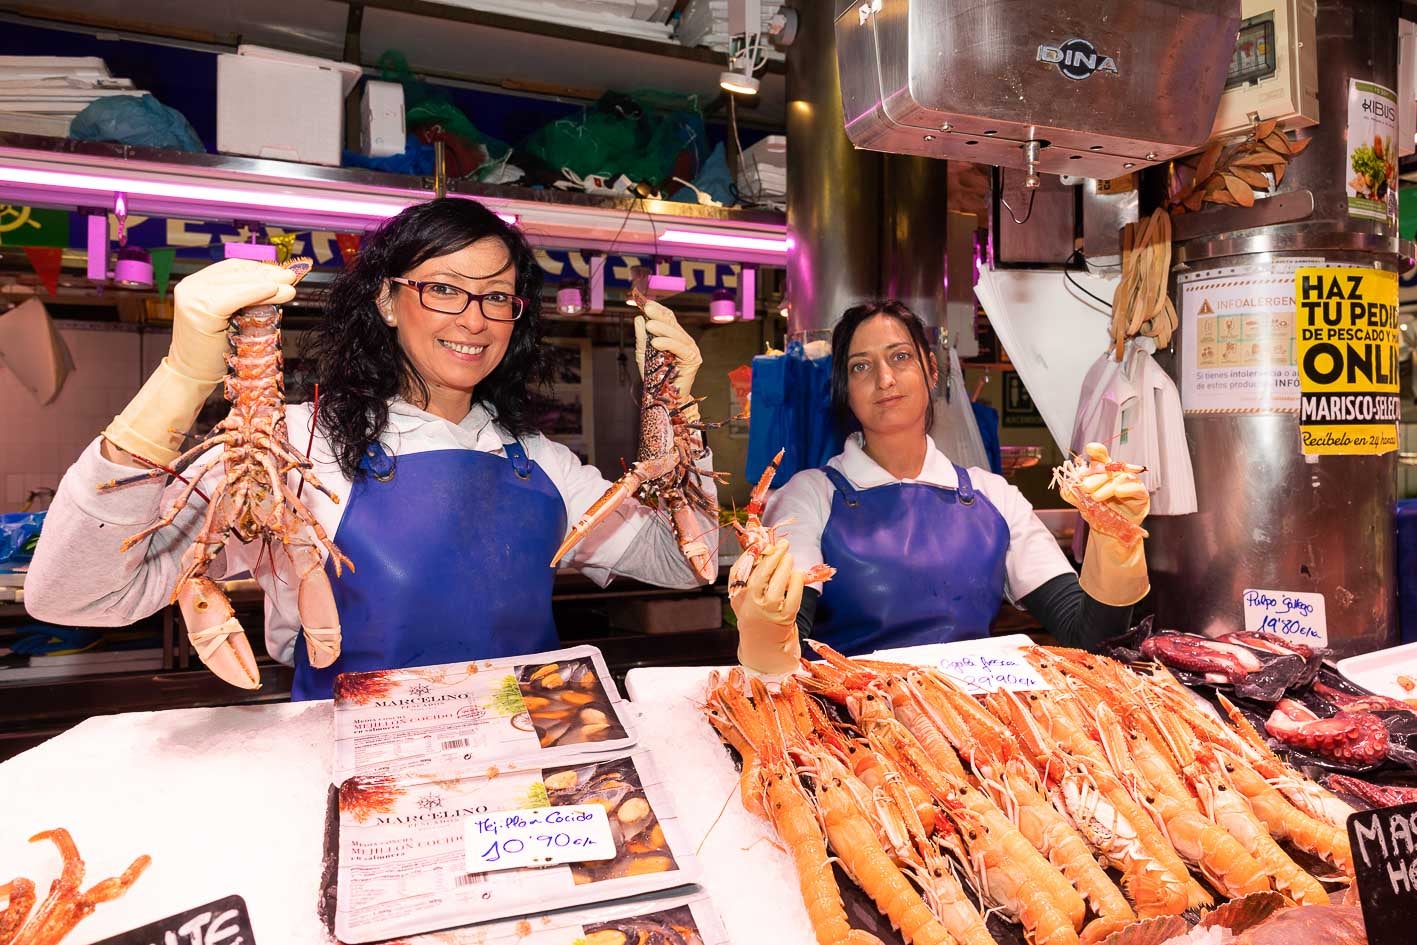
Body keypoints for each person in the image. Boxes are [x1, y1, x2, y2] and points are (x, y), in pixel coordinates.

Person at [24, 198, 718, 699]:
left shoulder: (541, 459)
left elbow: (684, 563)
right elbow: (75, 593)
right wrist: (178, 383)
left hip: (526, 763)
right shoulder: (290, 446)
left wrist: (676, 415)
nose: (473, 319)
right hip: (358, 783)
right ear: (387, 301)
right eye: (443, 288)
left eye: (497, 297)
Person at [731, 300, 1149, 674]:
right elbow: (788, 657)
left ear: (931, 371)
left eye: (900, 357)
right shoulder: (809, 495)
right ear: (845, 390)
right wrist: (764, 632)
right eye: (861, 366)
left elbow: (1090, 641)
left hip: (977, 733)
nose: (885, 379)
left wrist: (1116, 548)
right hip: (851, 735)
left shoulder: (994, 495)